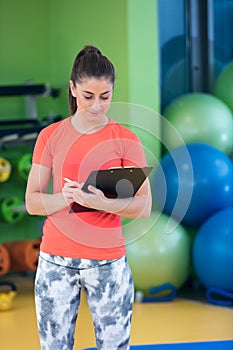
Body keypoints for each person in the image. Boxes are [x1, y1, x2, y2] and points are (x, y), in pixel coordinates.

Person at [25, 45, 152, 350]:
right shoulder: (50, 136)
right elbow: (32, 201)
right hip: (56, 261)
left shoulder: (125, 139)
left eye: (105, 97)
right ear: (73, 89)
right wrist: (65, 199)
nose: (97, 106)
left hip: (108, 262)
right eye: (88, 96)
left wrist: (103, 203)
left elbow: (144, 206)